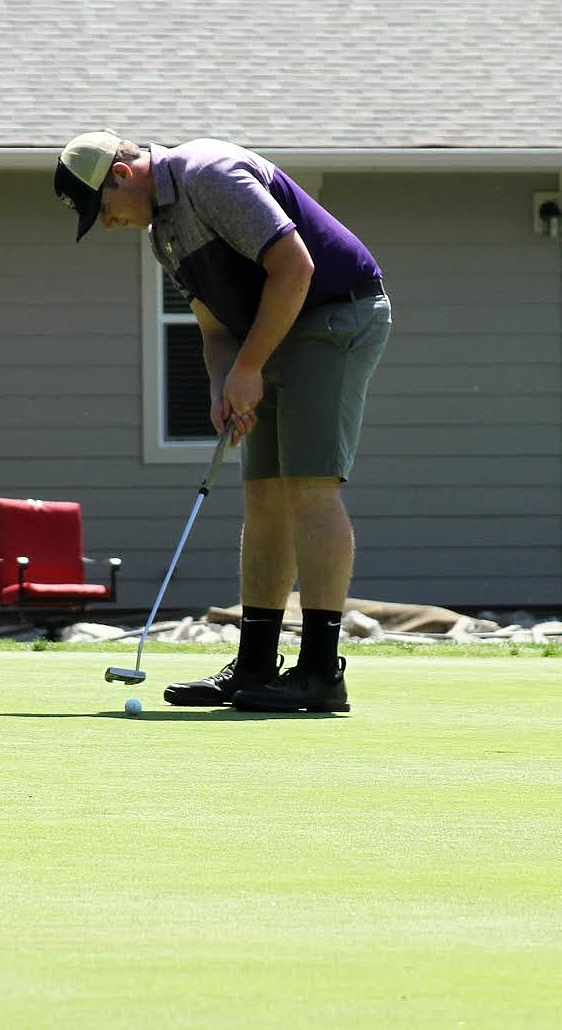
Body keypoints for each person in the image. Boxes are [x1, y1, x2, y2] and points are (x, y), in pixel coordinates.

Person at [54, 130, 391, 712]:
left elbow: (294, 268)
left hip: (335, 315)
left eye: (102, 209)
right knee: (263, 494)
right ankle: (256, 665)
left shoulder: (210, 173)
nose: (106, 224)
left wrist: (250, 366)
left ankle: (319, 672)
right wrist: (223, 382)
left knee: (310, 488)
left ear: (121, 174)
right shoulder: (163, 234)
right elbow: (214, 329)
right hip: (276, 329)